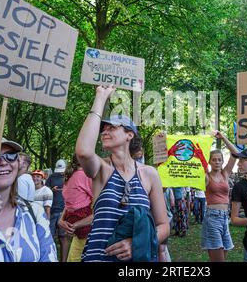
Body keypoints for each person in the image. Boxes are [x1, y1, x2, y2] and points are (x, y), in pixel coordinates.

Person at [76, 85, 169, 262]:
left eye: (112, 127)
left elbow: (163, 225)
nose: (105, 131)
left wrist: (137, 243)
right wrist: (101, 97)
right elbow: (83, 151)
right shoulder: (101, 169)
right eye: (103, 128)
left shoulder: (149, 174)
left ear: (129, 134)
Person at [201, 131, 238, 262]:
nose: (217, 162)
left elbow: (235, 153)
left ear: (222, 161)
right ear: (210, 161)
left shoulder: (225, 174)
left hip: (224, 218)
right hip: (212, 218)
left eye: (219, 159)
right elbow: (196, 158)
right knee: (219, 259)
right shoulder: (206, 176)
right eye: (214, 160)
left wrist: (223, 137)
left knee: (222, 256)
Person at [59, 154, 93, 262]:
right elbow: (99, 201)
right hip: (84, 224)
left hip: (75, 222)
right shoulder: (85, 176)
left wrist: (62, 220)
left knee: (74, 258)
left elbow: (69, 203)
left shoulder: (69, 176)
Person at [46, 159, 69, 262]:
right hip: (51, 210)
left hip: (64, 210)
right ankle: (52, 258)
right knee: (49, 237)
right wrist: (52, 189)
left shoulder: (69, 177)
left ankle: (63, 260)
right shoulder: (51, 177)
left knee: (63, 237)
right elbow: (44, 190)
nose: (61, 172)